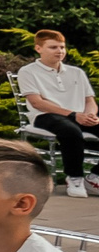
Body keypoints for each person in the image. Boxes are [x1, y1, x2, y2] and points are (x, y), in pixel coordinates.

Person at [18, 29, 95, 198]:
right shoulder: (27, 71)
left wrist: (91, 115)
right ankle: (75, 178)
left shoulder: (77, 72)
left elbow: (89, 100)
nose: (59, 51)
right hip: (44, 116)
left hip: (78, 115)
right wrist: (74, 115)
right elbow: (37, 102)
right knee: (71, 131)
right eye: (53, 47)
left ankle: (94, 178)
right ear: (38, 48)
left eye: (62, 47)